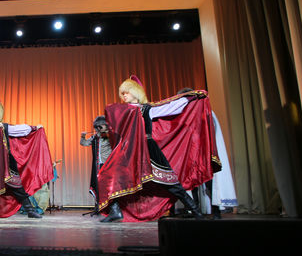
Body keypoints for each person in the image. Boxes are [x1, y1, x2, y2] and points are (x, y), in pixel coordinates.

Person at [99, 76, 219, 222]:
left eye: (127, 92)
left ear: (135, 92)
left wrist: (191, 97)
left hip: (148, 149)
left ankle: (196, 211)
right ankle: (115, 210)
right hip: (130, 151)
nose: (124, 95)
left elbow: (172, 107)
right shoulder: (124, 111)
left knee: (170, 183)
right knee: (107, 174)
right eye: (122, 93)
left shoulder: (147, 109)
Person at [176, 88, 238, 219]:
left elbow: (209, 131)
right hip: (192, 152)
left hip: (206, 153)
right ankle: (195, 209)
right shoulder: (186, 113)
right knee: (192, 183)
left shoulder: (205, 111)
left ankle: (216, 211)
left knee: (210, 183)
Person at [80, 116, 116, 211]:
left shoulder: (110, 136)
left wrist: (107, 131)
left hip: (108, 164)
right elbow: (84, 143)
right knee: (98, 185)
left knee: (108, 186)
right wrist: (83, 136)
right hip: (98, 165)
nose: (99, 128)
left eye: (101, 126)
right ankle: (100, 206)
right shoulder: (95, 137)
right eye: (97, 127)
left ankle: (110, 207)